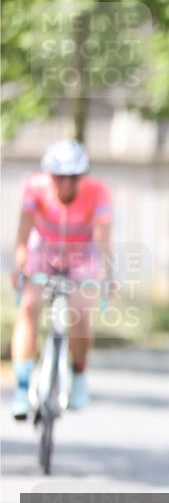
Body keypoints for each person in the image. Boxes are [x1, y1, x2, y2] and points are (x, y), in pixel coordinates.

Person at [10, 139, 111, 419]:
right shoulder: (35, 187)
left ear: (82, 176)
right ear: (49, 174)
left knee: (80, 312)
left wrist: (104, 273)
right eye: (59, 177)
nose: (66, 184)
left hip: (82, 254)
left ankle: (79, 372)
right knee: (28, 307)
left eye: (73, 177)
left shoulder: (97, 192)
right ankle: (22, 386)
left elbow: (102, 238)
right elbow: (23, 231)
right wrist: (20, 264)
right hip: (44, 250)